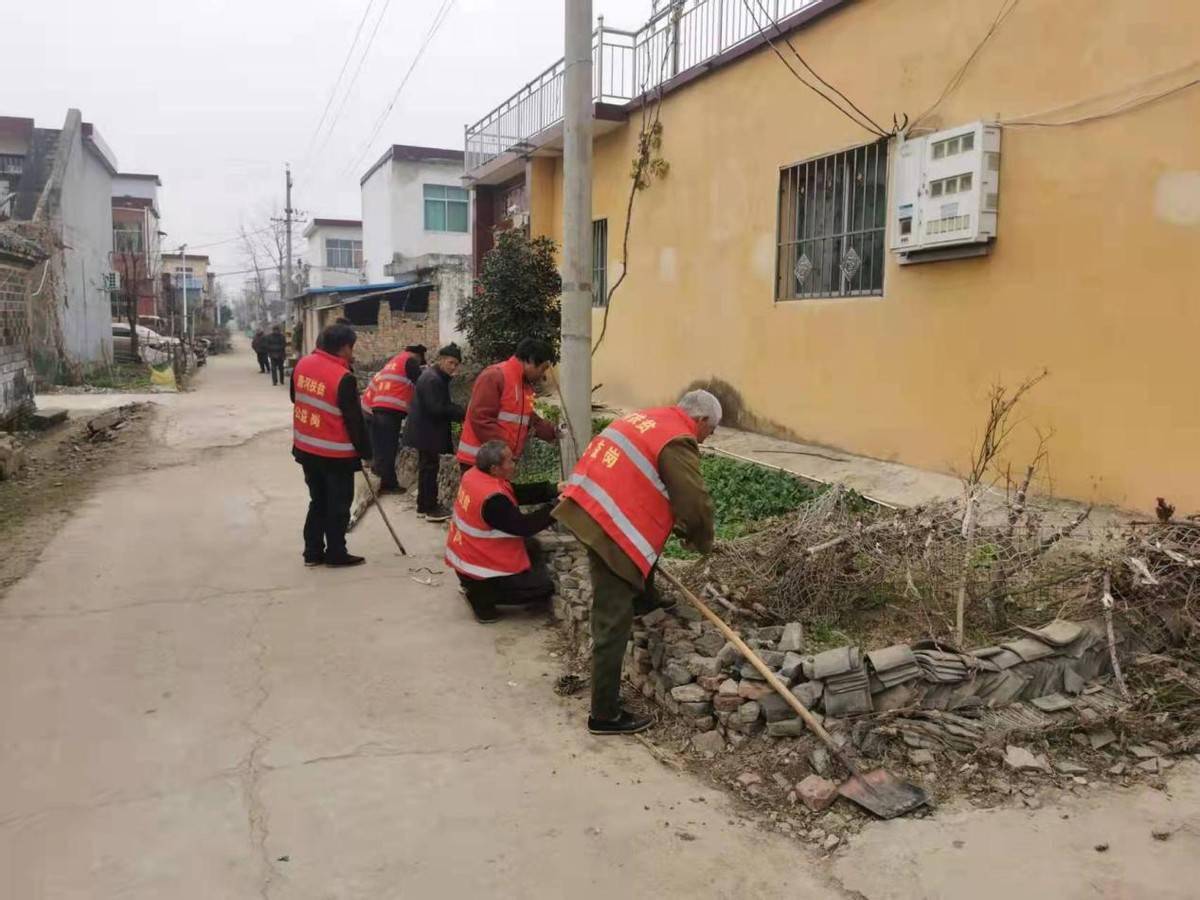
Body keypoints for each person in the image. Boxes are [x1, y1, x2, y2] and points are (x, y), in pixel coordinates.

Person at [553, 390, 720, 736]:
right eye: (711, 430)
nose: (708, 438)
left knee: (637, 569)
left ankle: (645, 597)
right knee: (612, 620)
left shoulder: (652, 419)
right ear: (701, 420)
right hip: (609, 524)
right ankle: (604, 714)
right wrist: (701, 540)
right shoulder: (677, 439)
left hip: (588, 504)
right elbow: (693, 500)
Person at [445, 440, 561, 624]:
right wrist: (558, 508)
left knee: (532, 546)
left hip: (468, 559)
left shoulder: (474, 476)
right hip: (479, 572)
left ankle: (479, 590)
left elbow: (512, 493)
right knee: (544, 588)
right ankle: (482, 600)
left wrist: (552, 490)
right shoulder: (492, 500)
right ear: (494, 469)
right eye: (510, 461)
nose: (514, 463)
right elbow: (525, 526)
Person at [290, 323, 373, 568]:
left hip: (306, 449)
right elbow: (355, 422)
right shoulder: (343, 377)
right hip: (335, 454)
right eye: (352, 347)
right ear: (344, 347)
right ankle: (336, 552)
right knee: (337, 505)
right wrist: (367, 453)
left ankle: (312, 551)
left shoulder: (302, 364)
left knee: (318, 500)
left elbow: (295, 398)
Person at [456, 337, 559, 470]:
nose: (543, 375)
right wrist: (505, 452)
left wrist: (553, 431)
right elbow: (482, 419)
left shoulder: (523, 385)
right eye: (543, 368)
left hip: (499, 463)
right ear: (531, 361)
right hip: (479, 461)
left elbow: (527, 418)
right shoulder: (495, 376)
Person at [402, 343, 465, 522]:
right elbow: (436, 408)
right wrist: (460, 412)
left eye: (456, 364)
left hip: (425, 429)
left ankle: (424, 505)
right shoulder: (433, 379)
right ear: (441, 360)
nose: (453, 367)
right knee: (429, 468)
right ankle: (429, 507)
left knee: (428, 467)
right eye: (451, 362)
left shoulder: (435, 376)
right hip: (426, 430)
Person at [362, 344, 426, 493]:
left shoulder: (395, 361)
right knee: (388, 449)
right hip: (390, 410)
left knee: (382, 448)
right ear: (418, 356)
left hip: (378, 408)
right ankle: (389, 485)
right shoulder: (410, 361)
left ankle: (380, 479)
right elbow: (422, 383)